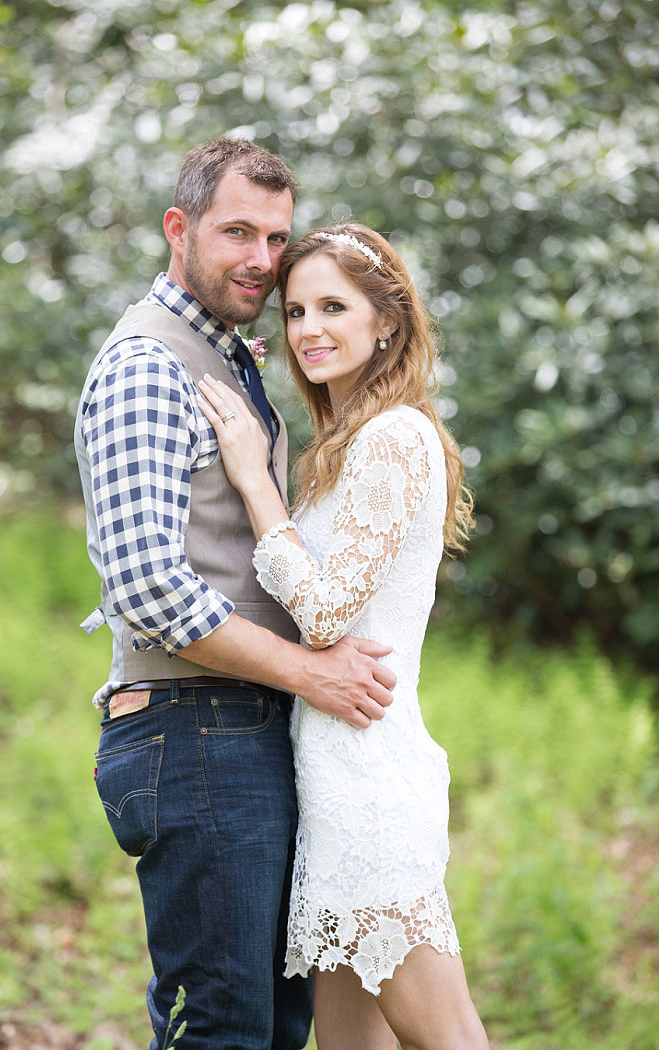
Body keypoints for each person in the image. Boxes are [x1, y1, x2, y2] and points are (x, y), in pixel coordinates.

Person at [74, 143, 397, 1050]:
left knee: (269, 1024)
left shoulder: (226, 355)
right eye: (237, 233)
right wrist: (314, 673)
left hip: (238, 732)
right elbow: (146, 588)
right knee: (225, 1029)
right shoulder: (148, 364)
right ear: (179, 230)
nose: (262, 258)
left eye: (276, 237)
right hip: (195, 730)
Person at [197, 222, 489, 1050]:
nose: (309, 328)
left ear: (386, 321)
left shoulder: (395, 437)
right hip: (329, 775)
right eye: (294, 310)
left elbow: (325, 614)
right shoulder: (346, 444)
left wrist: (255, 481)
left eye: (334, 305)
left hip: (369, 779)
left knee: (447, 1037)